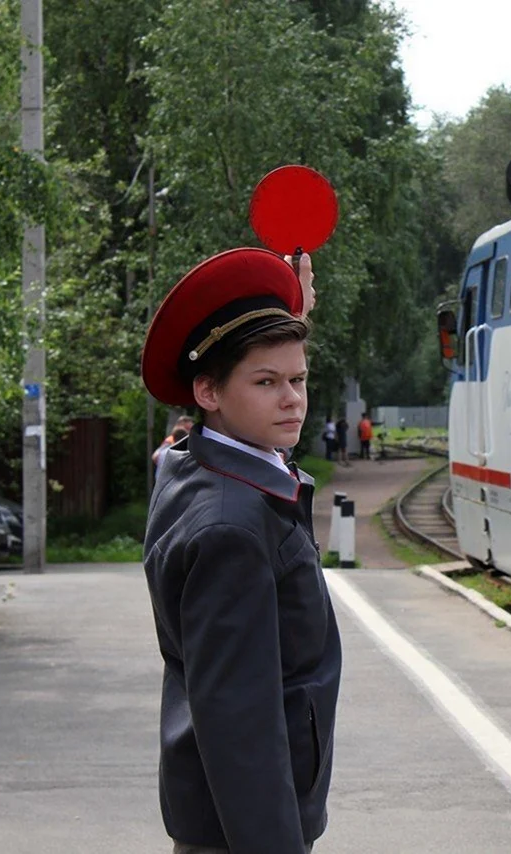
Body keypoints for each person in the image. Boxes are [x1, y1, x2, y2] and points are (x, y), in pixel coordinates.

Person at [140, 247, 340, 854]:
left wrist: (283, 308)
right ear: (207, 391)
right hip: (243, 829)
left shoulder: (198, 462)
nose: (292, 399)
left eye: (299, 379)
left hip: (219, 815)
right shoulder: (232, 527)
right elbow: (240, 722)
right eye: (267, 382)